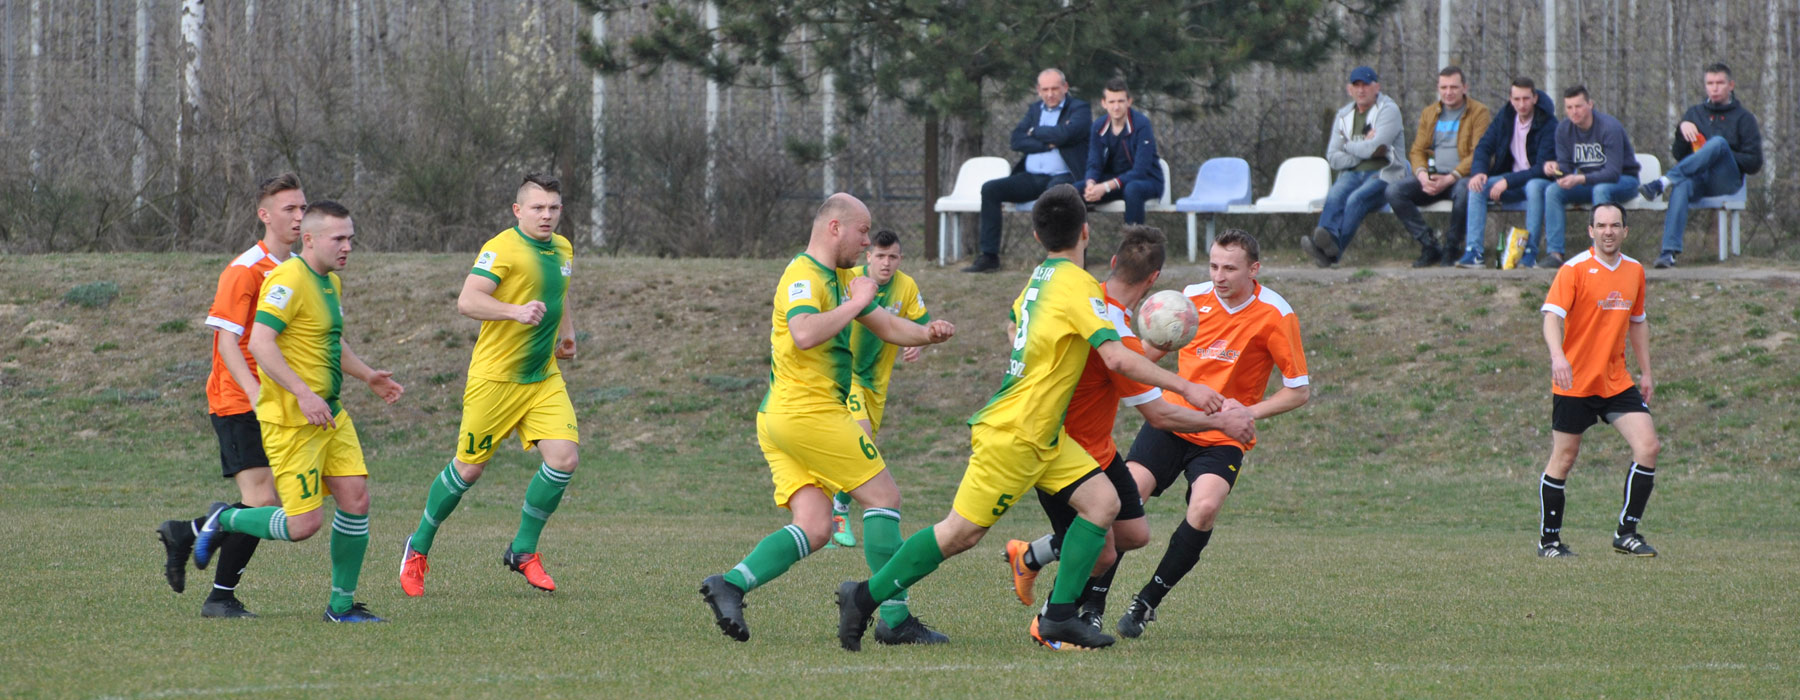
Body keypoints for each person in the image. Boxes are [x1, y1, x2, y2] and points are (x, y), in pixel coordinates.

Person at [834, 185, 1224, 653]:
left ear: (1038, 235)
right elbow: (1116, 358)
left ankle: (1058, 617)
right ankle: (862, 596)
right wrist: (1189, 386)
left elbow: (1021, 327)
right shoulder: (1078, 285)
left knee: (1103, 504)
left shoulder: (1039, 277)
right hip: (1016, 433)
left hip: (1046, 434)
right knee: (959, 533)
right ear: (1085, 231)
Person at [701, 193, 957, 646]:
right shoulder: (805, 274)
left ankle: (731, 584)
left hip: (783, 416)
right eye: (862, 232)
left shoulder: (842, 278)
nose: (866, 243)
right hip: (809, 412)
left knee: (816, 525)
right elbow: (803, 333)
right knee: (885, 498)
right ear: (835, 228)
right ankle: (894, 620)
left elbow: (887, 326)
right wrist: (856, 304)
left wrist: (928, 335)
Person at [1000, 225, 1256, 633]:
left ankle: (1031, 556)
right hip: (1060, 449)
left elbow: (1016, 324)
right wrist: (1218, 415)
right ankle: (1052, 618)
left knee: (1133, 534)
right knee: (1098, 553)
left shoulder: (1079, 296)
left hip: (1098, 448)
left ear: (1114, 261)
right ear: (1154, 279)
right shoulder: (1116, 337)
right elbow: (1160, 416)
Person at [190, 201, 406, 623]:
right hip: (292, 418)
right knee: (302, 525)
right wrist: (304, 395)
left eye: (350, 239)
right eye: (338, 238)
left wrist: (367, 376)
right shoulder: (287, 278)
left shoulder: (330, 284)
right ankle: (225, 518)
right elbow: (260, 343)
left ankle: (341, 607)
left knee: (356, 499)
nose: (347, 247)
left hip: (331, 415)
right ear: (309, 239)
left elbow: (329, 341)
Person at [1113, 229, 1311, 640]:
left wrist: (1245, 412)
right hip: (1175, 422)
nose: (1219, 276)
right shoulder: (1189, 299)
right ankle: (1092, 606)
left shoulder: (1275, 314)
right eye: (1214, 265)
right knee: (1122, 502)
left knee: (1203, 509)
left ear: (1254, 270)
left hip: (1223, 434)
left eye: (1230, 268)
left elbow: (1298, 390)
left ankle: (1147, 600)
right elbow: (1150, 356)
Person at [399, 173, 581, 597]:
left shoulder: (562, 248)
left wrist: (567, 333)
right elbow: (468, 300)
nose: (547, 215)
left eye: (554, 207)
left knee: (564, 459)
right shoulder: (502, 248)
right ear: (518, 211)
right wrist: (515, 312)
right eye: (538, 207)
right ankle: (418, 547)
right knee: (469, 469)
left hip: (541, 377)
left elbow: (561, 291)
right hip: (495, 379)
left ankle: (523, 550)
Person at [156, 173, 307, 619]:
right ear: (265, 215)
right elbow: (226, 343)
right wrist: (257, 392)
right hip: (240, 400)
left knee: (276, 502)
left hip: (280, 402)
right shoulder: (244, 270)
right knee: (263, 502)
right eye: (289, 209)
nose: (299, 216)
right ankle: (219, 596)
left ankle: (191, 532)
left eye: (302, 208)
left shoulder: (297, 270)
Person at [1535, 203, 1661, 558]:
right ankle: (1549, 542)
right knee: (1565, 456)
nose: (1608, 231)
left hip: (1615, 381)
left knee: (1648, 447)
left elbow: (1638, 321)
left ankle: (1627, 533)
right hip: (1574, 380)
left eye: (1615, 225)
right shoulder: (1573, 269)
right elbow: (1550, 317)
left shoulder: (1635, 270)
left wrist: (1646, 371)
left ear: (1625, 231)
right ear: (1590, 230)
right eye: (1601, 225)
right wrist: (1558, 356)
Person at [826, 229, 931, 549]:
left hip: (877, 386)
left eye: (893, 257)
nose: (886, 263)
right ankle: (839, 511)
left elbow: (921, 324)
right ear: (868, 256)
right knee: (862, 438)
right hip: (847, 378)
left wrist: (918, 344)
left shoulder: (907, 286)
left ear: (900, 259)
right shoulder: (848, 279)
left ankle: (828, 509)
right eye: (880, 256)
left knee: (858, 448)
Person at [1637, 63, 1764, 269]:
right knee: (1682, 185)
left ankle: (1663, 181)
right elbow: (1679, 154)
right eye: (1710, 83)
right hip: (1698, 179)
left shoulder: (1744, 118)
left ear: (1730, 85)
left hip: (1726, 180)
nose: (1714, 88)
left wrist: (1721, 155)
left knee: (1718, 143)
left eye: (1720, 83)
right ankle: (1668, 252)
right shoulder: (1694, 113)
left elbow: (1754, 163)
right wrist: (1681, 130)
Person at [966, 69, 1091, 273]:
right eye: (1045, 89)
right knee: (990, 189)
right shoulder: (1034, 110)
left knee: (1057, 198)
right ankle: (989, 257)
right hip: (1031, 177)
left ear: (1065, 88)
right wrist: (1048, 143)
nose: (1050, 94)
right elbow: (1016, 139)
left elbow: (1067, 134)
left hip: (1064, 175)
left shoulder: (1079, 108)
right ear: (1038, 90)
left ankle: (1065, 260)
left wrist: (1035, 132)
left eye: (1055, 89)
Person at [1385, 66, 1491, 267]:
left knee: (1465, 190)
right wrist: (1423, 174)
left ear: (1464, 88)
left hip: (1460, 177)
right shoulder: (1430, 113)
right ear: (1438, 88)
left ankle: (1452, 247)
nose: (1448, 92)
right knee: (1394, 190)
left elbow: (1480, 152)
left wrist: (1451, 177)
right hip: (1434, 177)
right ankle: (1429, 244)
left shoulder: (1479, 112)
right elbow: (1418, 150)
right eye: (1444, 87)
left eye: (1453, 87)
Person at [1304, 66, 1409, 267]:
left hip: (1385, 172)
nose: (1361, 90)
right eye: (1356, 85)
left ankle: (1331, 251)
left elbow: (1377, 148)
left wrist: (1349, 145)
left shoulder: (1388, 111)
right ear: (1349, 89)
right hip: (1353, 173)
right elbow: (1333, 157)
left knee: (1356, 199)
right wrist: (1362, 152)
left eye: (1366, 85)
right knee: (1335, 194)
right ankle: (1326, 242)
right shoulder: (1344, 115)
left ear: (1376, 87)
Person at [1531, 86, 1640, 269]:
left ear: (1590, 104)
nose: (1574, 112)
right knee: (1553, 191)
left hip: (1624, 181)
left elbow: (1612, 172)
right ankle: (1555, 254)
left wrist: (1579, 179)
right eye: (1569, 107)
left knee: (1601, 189)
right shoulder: (1564, 129)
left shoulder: (1608, 127)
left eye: (1578, 106)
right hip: (1590, 183)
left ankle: (1600, 254)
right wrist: (1556, 168)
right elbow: (1566, 167)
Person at [1458, 78, 1557, 268]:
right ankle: (1474, 252)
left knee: (1534, 187)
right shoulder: (1505, 117)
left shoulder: (1548, 123)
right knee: (1476, 186)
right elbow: (1484, 147)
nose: (1522, 104)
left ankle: (1529, 252)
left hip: (1536, 182)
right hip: (1509, 181)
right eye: (1517, 99)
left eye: (1526, 99)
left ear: (1535, 98)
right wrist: (1479, 171)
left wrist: (1507, 180)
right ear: (1511, 99)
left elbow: (1541, 169)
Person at [1081, 78, 1164, 225]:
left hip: (1146, 181)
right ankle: (1076, 245)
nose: (1116, 107)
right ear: (1104, 103)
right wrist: (1091, 184)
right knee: (1074, 192)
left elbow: (1140, 170)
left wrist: (1105, 187)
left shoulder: (1142, 124)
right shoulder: (1098, 127)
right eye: (1112, 102)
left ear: (1129, 102)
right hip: (1112, 182)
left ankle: (1134, 244)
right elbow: (1094, 163)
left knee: (1132, 190)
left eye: (1120, 101)